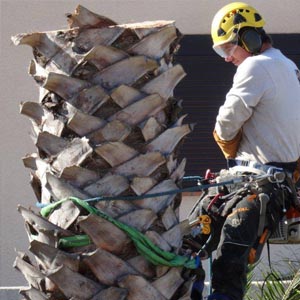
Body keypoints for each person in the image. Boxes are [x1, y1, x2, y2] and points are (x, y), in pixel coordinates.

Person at [188, 2, 300, 300]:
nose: (227, 58)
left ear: (249, 39)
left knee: (216, 254)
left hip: (260, 184)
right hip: (263, 182)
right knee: (211, 250)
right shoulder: (287, 65)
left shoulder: (256, 65)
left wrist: (226, 141)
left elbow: (227, 121)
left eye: (228, 48)